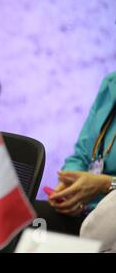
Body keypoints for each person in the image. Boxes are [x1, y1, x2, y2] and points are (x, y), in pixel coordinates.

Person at [34, 71, 116, 235]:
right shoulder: (111, 82)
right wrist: (70, 187)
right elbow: (81, 154)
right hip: (86, 210)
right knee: (28, 218)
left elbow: (102, 184)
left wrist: (106, 184)